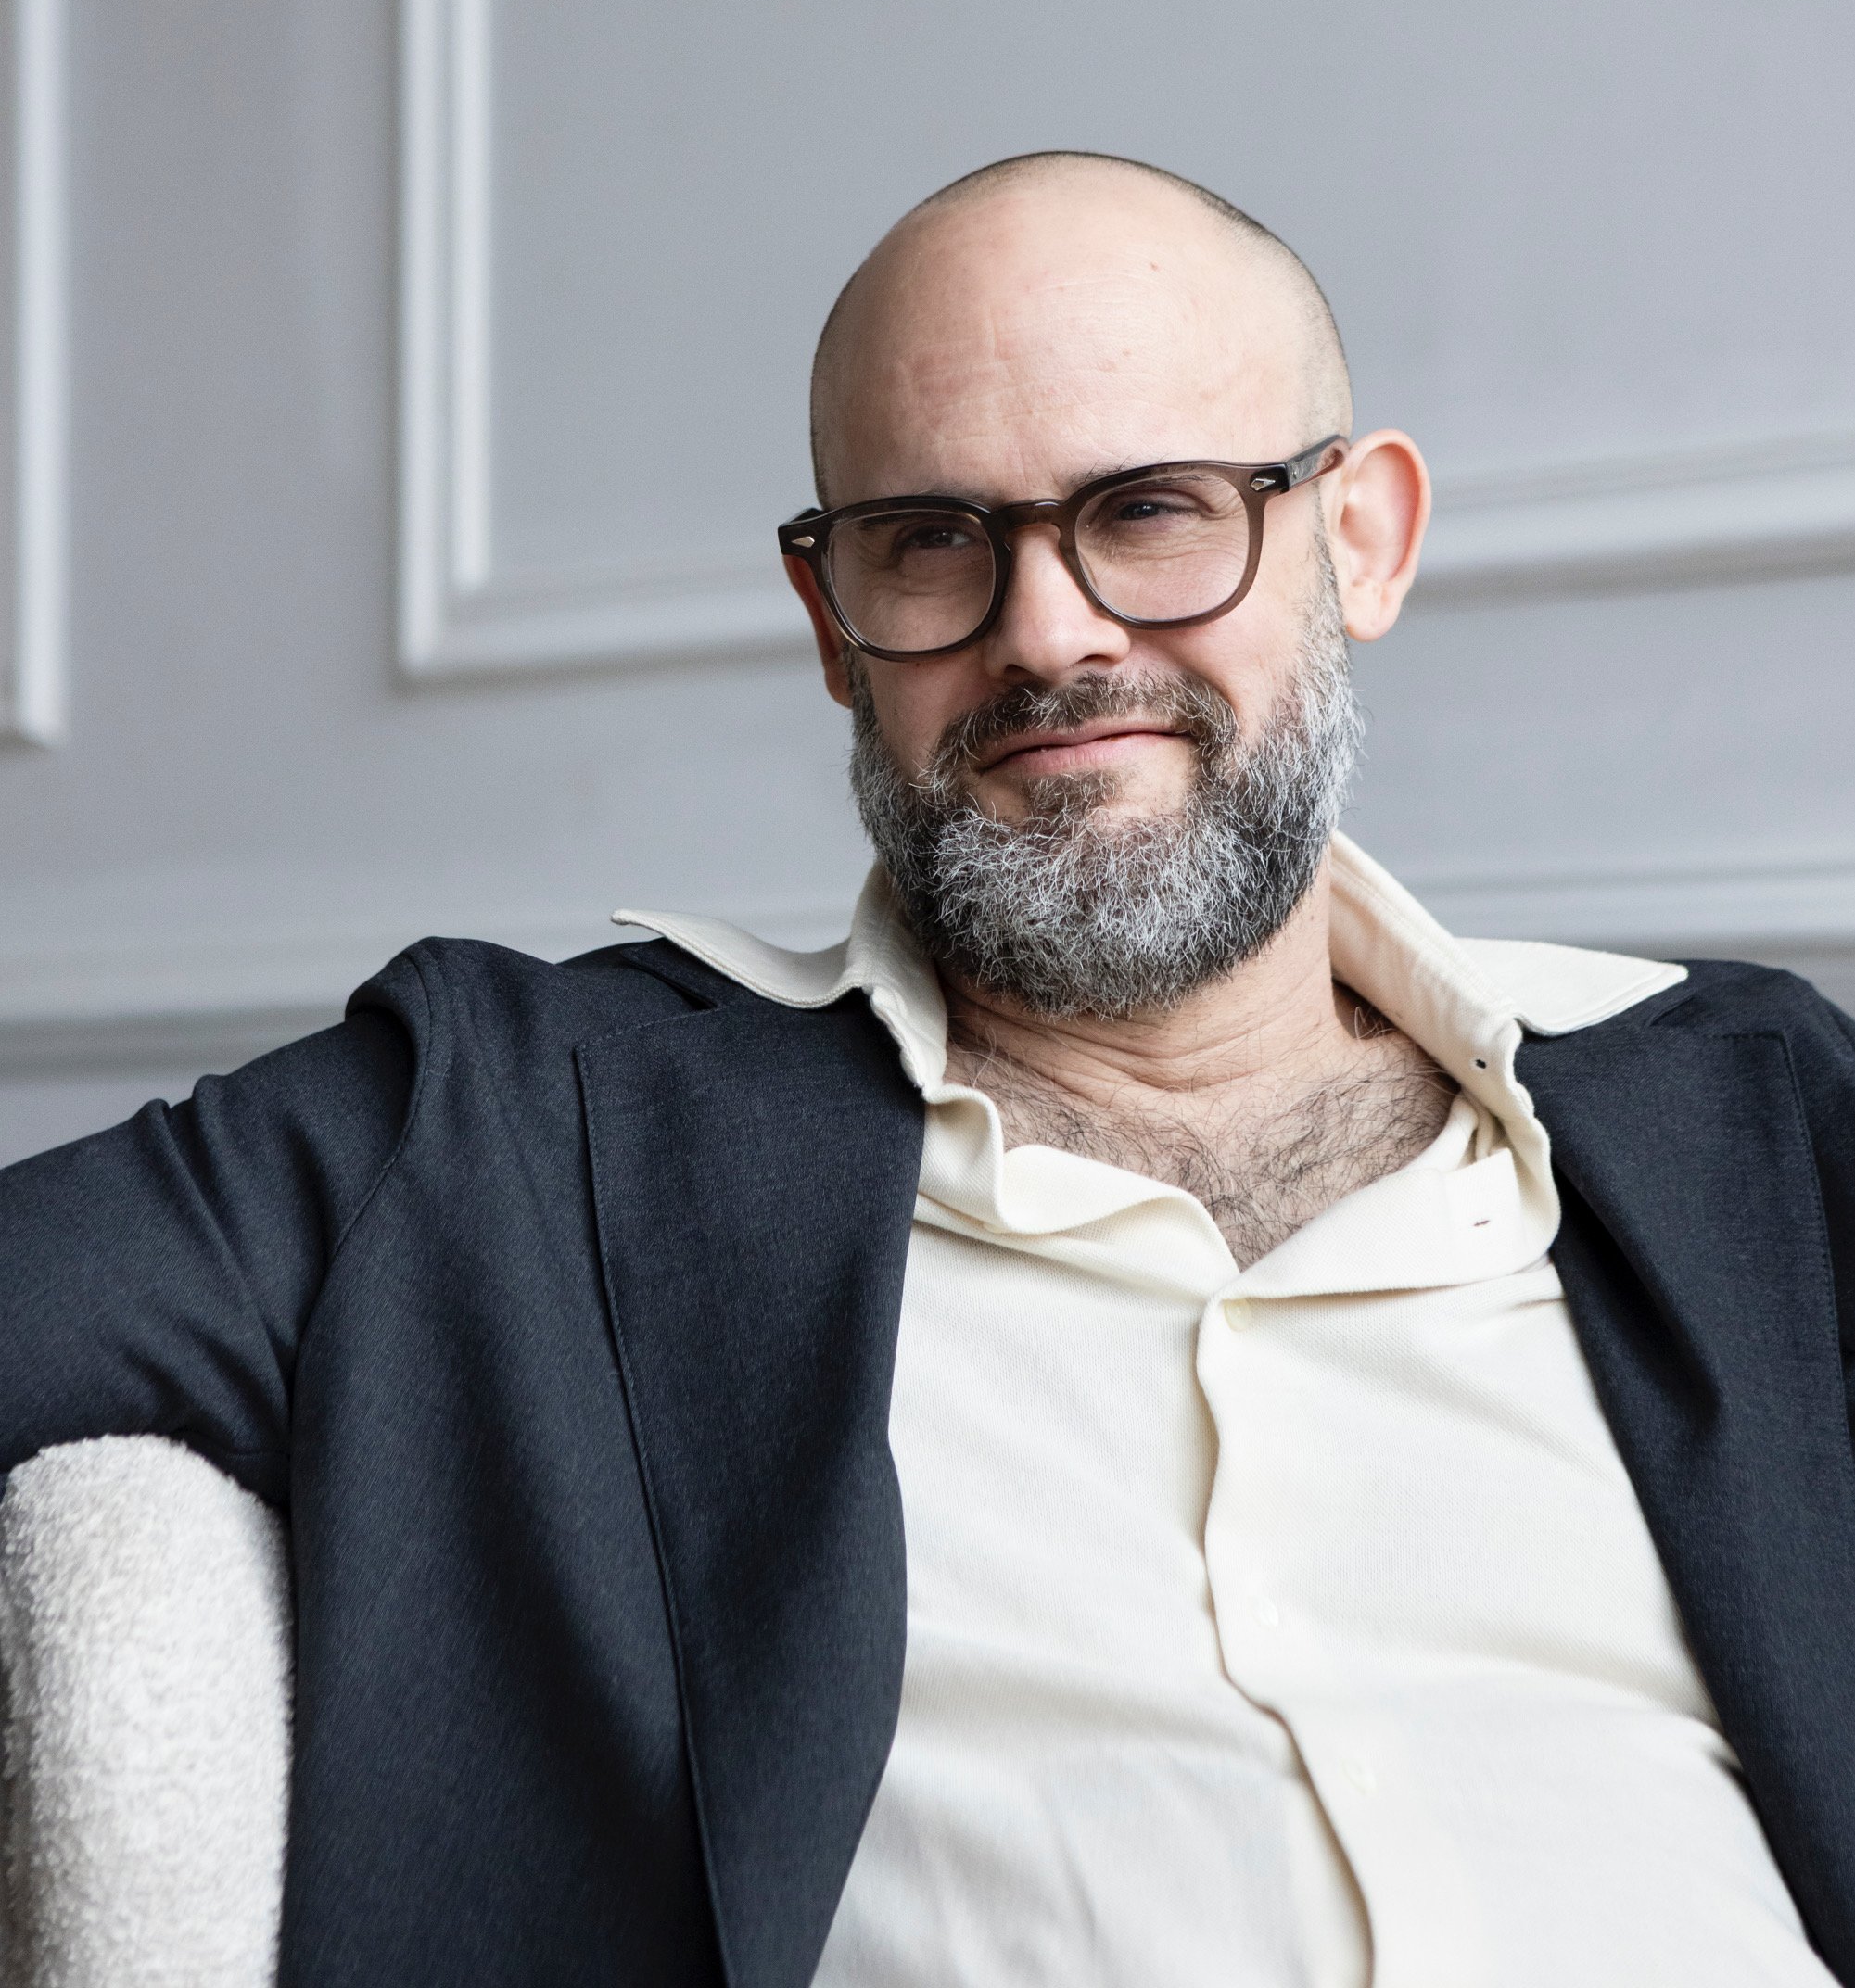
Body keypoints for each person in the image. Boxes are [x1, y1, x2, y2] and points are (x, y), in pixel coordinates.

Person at [3, 150, 1853, 1988]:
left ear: (1357, 540)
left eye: (1151, 510)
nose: (1046, 633)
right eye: (930, 541)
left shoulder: (1754, 1119)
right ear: (832, 624)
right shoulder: (514, 1130)